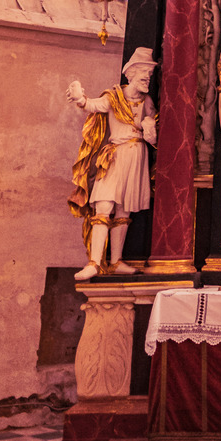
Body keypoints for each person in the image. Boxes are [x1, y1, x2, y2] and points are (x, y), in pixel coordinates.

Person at [67, 47, 157, 281]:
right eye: (144, 73)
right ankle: (95, 262)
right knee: (104, 206)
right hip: (115, 156)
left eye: (150, 74)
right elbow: (93, 105)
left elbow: (156, 135)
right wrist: (80, 98)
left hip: (137, 157)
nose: (148, 78)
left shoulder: (147, 102)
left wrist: (150, 130)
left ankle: (116, 261)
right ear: (132, 74)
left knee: (124, 210)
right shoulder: (114, 97)